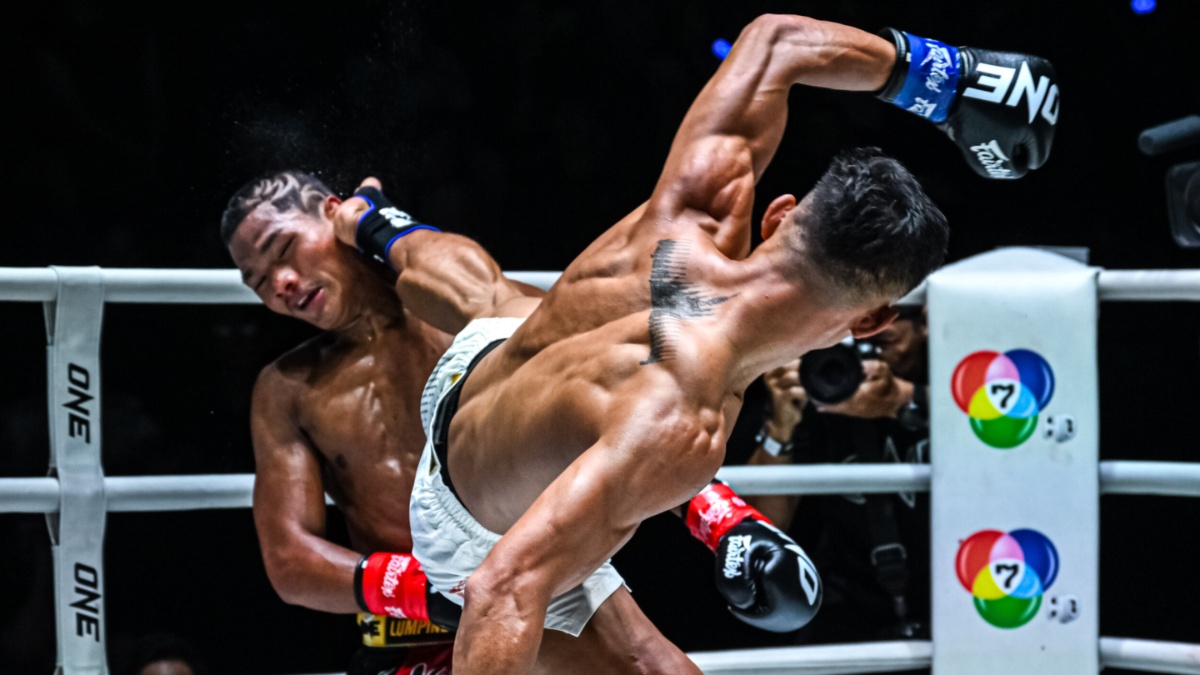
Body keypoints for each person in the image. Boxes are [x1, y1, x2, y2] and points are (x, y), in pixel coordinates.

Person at [328, 13, 1055, 673]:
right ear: (871, 322)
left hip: (485, 368)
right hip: (475, 523)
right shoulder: (684, 425)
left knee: (496, 300)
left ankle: (372, 222)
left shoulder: (694, 215)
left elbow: (777, 41)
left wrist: (953, 80)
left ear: (778, 216)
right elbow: (501, 587)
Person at [220, 170, 814, 672]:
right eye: (259, 281)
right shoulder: (287, 389)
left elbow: (636, 417)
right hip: (411, 635)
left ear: (335, 215)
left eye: (283, 249)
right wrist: (432, 593)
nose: (281, 284)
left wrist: (729, 524)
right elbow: (291, 562)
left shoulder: (476, 311)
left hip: (539, 569)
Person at [745, 306, 932, 646]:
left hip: (962, 584)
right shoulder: (819, 383)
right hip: (849, 600)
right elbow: (762, 528)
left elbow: (1008, 421)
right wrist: (779, 427)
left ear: (925, 323)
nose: (873, 340)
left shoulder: (957, 374)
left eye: (884, 338)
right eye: (862, 325)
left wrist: (902, 399)